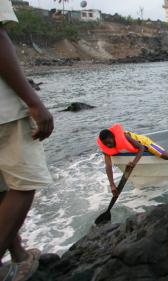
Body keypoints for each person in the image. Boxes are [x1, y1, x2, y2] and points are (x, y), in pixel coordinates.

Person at [0, 0, 54, 279]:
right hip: (3, 110)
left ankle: (18, 255)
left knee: (3, 188)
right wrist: (33, 102)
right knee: (24, 183)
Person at [97, 124, 168, 196]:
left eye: (109, 142)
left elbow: (141, 148)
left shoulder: (125, 136)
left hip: (145, 144)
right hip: (136, 150)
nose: (108, 145)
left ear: (112, 137)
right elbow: (108, 166)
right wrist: (112, 185)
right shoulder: (107, 149)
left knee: (167, 156)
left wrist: (134, 163)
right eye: (106, 144)